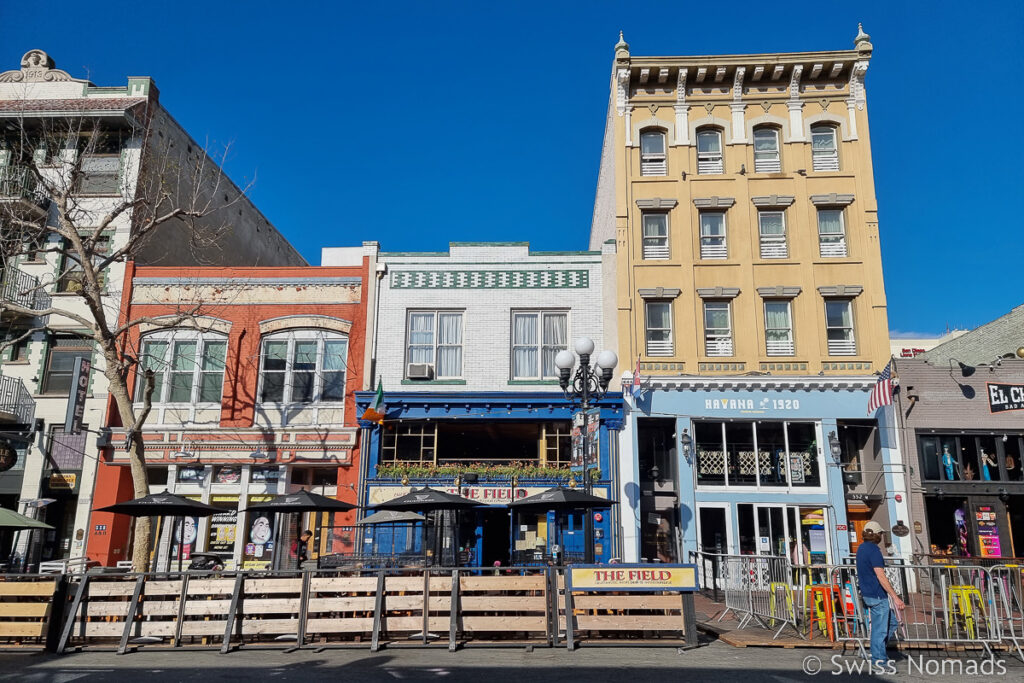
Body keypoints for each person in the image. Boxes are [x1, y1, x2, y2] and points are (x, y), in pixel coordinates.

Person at [856, 521, 904, 666]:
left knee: (891, 623)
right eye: (881, 533)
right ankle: (879, 661)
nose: (882, 536)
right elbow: (880, 576)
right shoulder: (874, 550)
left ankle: (877, 651)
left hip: (869, 593)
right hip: (876, 594)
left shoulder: (861, 548)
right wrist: (895, 597)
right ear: (877, 535)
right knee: (880, 630)